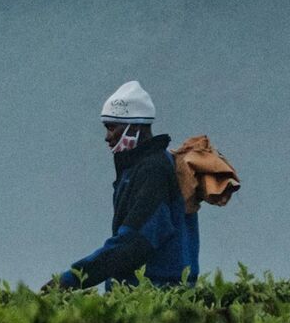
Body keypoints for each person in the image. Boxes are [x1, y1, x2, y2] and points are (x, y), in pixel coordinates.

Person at [48, 80, 199, 290]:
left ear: (135, 126)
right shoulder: (142, 167)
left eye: (112, 128)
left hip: (154, 293)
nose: (107, 137)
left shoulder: (153, 170)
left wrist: (71, 279)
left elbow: (134, 242)